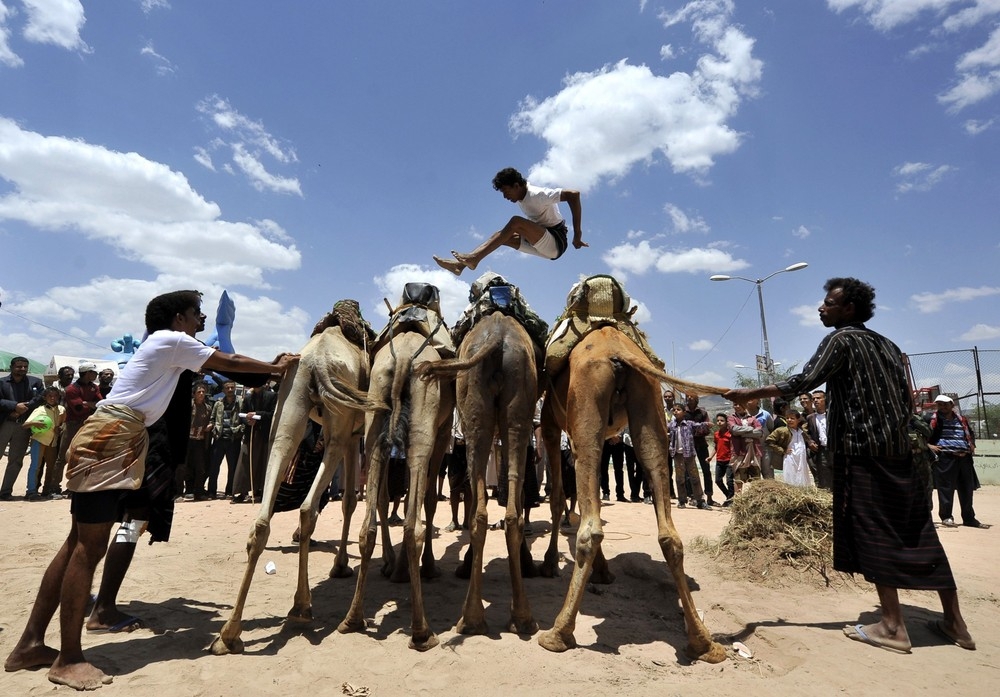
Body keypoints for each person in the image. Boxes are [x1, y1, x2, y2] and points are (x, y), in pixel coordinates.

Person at [3, 290, 298, 691]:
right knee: (88, 548)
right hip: (113, 438)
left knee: (76, 542)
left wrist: (266, 368)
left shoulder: (165, 347)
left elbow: (224, 366)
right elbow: (228, 362)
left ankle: (30, 646)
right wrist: (277, 368)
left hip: (114, 435)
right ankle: (68, 658)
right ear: (179, 317)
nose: (201, 322)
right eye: (197, 315)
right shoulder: (172, 340)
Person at [723, 276, 976, 654]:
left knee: (873, 530)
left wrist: (751, 392)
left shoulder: (841, 340)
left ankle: (892, 626)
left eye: (829, 303)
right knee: (918, 530)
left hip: (862, 452)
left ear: (849, 309)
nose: (821, 308)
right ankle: (956, 623)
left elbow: (804, 380)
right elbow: (904, 400)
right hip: (900, 453)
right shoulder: (888, 345)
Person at [433, 167, 586, 276]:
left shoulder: (538, 194)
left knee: (515, 223)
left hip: (556, 241)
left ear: (517, 185)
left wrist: (577, 235)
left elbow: (574, 195)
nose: (505, 197)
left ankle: (473, 259)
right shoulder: (521, 197)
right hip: (540, 243)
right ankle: (460, 266)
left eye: (506, 192)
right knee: (501, 236)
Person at [927, 395, 988, 529]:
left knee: (967, 489)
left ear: (952, 405)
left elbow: (970, 434)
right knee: (946, 488)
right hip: (945, 458)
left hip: (964, 458)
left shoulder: (962, 420)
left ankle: (969, 518)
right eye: (940, 405)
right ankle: (946, 517)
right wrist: (929, 445)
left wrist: (971, 445)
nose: (942, 407)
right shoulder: (932, 419)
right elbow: (921, 434)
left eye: (945, 404)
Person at [0, 356, 46, 500]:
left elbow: (40, 397)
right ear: (11, 368)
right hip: (4, 423)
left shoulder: (35, 382)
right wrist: (14, 406)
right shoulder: (1, 382)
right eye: (19, 366)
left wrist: (24, 408)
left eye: (25, 366)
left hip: (24, 426)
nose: (23, 369)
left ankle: (5, 492)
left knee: (16, 460)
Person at [23, 387, 66, 501]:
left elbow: (63, 423)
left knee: (51, 467)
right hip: (39, 440)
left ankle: (47, 490)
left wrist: (60, 428)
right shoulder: (40, 410)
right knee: (35, 466)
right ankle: (31, 491)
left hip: (53, 442)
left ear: (58, 397)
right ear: (45, 398)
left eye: (55, 396)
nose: (53, 398)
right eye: (50, 396)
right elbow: (25, 425)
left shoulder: (61, 409)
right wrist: (35, 422)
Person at [208, 379, 243, 499]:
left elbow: (243, 420)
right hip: (219, 439)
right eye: (227, 388)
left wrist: (240, 430)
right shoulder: (218, 404)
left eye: (232, 388)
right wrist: (212, 428)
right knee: (214, 467)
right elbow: (212, 419)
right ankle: (211, 491)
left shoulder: (240, 403)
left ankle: (229, 491)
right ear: (223, 390)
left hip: (233, 439)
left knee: (232, 468)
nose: (230, 390)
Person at [667, 404, 706, 509]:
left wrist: (707, 424)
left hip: (689, 455)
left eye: (678, 410)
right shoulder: (671, 425)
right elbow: (663, 430)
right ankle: (682, 500)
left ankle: (700, 500)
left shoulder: (689, 424)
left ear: (684, 412)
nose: (676, 412)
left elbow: (699, 426)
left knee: (695, 478)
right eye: (674, 410)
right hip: (677, 455)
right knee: (680, 478)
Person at [766, 409, 814, 488]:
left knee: (802, 477)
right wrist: (782, 450)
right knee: (790, 479)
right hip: (790, 458)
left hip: (801, 458)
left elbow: (808, 438)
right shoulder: (782, 430)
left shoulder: (801, 431)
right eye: (787, 418)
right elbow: (769, 441)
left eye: (792, 418)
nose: (789, 420)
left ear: (798, 420)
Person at [684, 394, 717, 506]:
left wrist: (696, 431)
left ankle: (709, 496)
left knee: (706, 469)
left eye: (692, 396)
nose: (689, 398)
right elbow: (683, 428)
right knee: (688, 471)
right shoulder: (683, 412)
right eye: (687, 396)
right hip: (688, 445)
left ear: (696, 399)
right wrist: (699, 427)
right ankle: (692, 496)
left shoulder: (702, 412)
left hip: (701, 444)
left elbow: (707, 428)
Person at [806, 390, 833, 489]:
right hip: (821, 451)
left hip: (835, 449)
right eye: (813, 399)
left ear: (825, 399)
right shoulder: (810, 418)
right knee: (825, 477)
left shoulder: (832, 414)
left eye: (818, 398)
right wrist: (810, 442)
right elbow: (807, 433)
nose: (815, 400)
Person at [709, 413, 734, 505]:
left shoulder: (730, 434)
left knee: (729, 481)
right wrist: (711, 457)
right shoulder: (716, 434)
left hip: (729, 460)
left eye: (722, 420)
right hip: (719, 460)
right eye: (718, 420)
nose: (719, 422)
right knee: (718, 480)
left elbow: (733, 447)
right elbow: (716, 446)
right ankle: (729, 496)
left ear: (727, 422)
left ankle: (730, 500)